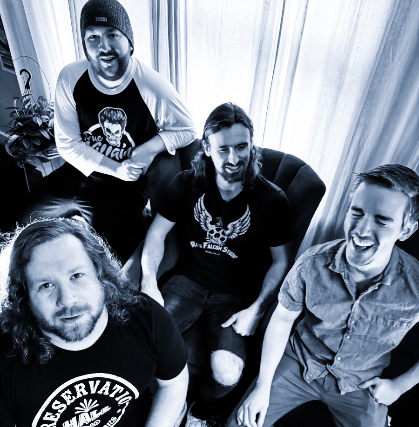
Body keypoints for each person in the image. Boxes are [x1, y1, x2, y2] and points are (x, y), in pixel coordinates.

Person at [228, 164, 419, 427]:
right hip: (300, 360)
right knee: (240, 423)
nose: (361, 230)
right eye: (357, 212)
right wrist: (262, 386)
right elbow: (282, 320)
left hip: (360, 382)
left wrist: (399, 386)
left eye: (382, 220)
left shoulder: (416, 285)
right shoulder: (312, 263)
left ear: (406, 230)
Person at [140, 103, 293, 426]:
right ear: (207, 148)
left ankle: (199, 412)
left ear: (251, 146)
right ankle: (168, 401)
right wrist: (148, 282)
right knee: (144, 342)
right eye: (223, 149)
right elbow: (156, 234)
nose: (234, 158)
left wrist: (257, 310)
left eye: (242, 147)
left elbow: (281, 261)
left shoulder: (272, 200)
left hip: (235, 298)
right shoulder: (186, 183)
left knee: (227, 374)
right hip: (187, 283)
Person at [20, 0, 197, 262]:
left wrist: (149, 148)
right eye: (93, 37)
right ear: (85, 43)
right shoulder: (71, 77)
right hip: (79, 172)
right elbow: (68, 144)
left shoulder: (150, 85)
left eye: (113, 35)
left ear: (129, 42)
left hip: (124, 187)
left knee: (112, 258)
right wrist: (114, 168)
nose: (104, 47)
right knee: (22, 227)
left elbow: (188, 129)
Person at [0, 218, 188, 427]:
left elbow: (173, 384)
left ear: (100, 274)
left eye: (77, 275)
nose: (67, 299)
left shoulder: (145, 316)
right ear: (24, 296)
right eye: (46, 285)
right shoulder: (5, 359)